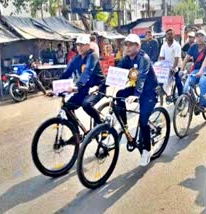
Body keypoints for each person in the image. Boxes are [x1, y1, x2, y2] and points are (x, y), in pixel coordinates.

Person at [116, 34, 158, 166]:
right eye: (126, 44)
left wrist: (136, 95)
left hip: (149, 92)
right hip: (136, 90)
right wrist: (101, 87)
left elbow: (142, 78)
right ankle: (124, 126)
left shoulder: (143, 58)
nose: (127, 47)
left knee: (143, 122)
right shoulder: (126, 59)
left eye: (131, 44)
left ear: (138, 46)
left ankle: (147, 150)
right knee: (118, 95)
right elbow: (116, 73)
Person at [58, 35, 106, 126]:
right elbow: (67, 72)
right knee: (67, 107)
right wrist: (55, 87)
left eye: (82, 45)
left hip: (98, 87)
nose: (79, 47)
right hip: (84, 88)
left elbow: (87, 72)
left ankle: (101, 124)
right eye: (78, 45)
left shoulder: (93, 55)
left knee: (86, 104)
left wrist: (76, 86)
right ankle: (76, 135)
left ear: (88, 46)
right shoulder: (77, 58)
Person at [181, 30, 206, 111]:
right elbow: (186, 59)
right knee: (186, 86)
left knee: (202, 82)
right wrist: (181, 70)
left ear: (205, 38)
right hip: (196, 69)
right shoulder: (193, 47)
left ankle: (203, 104)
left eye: (201, 36)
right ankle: (193, 100)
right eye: (197, 36)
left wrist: (201, 72)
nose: (199, 38)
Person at [159, 29, 183, 97]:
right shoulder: (163, 46)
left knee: (178, 81)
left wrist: (173, 68)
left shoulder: (177, 45)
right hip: (167, 66)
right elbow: (161, 57)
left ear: (173, 35)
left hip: (177, 66)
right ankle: (167, 95)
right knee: (160, 81)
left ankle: (181, 96)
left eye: (171, 34)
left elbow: (176, 58)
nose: (169, 35)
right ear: (166, 36)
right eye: (168, 34)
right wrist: (163, 67)